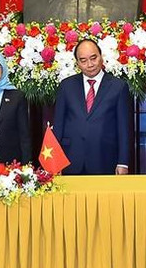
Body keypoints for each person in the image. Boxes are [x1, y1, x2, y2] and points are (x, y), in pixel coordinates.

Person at [53, 39, 131, 174]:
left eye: (93, 58)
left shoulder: (118, 86)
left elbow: (124, 128)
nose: (90, 64)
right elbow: (58, 125)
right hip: (71, 160)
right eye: (83, 61)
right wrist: (55, 161)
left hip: (105, 159)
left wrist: (123, 162)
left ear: (101, 57)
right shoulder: (66, 86)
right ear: (77, 63)